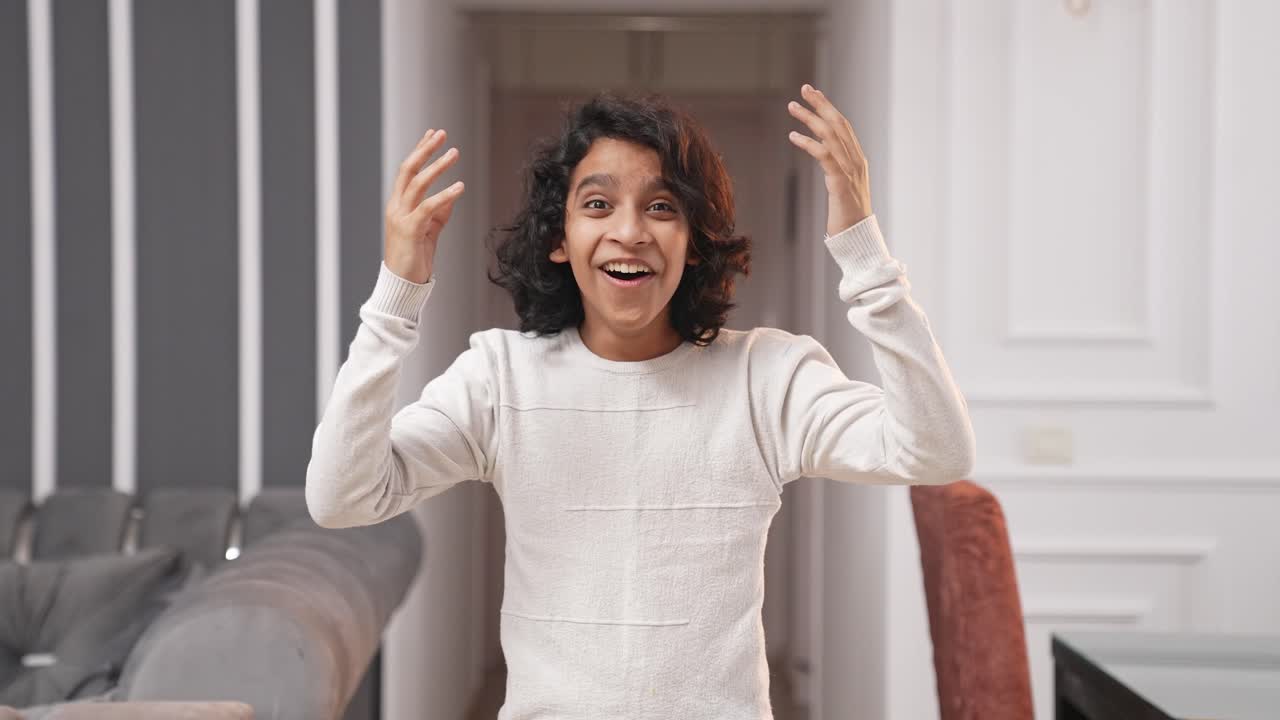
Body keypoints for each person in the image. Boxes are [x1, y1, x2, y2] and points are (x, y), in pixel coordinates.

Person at [305, 85, 975, 719]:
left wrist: (862, 247)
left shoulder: (766, 376)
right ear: (559, 240)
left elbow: (937, 450)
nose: (630, 232)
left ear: (695, 240)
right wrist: (397, 296)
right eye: (598, 205)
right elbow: (343, 496)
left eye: (662, 207)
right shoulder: (500, 378)